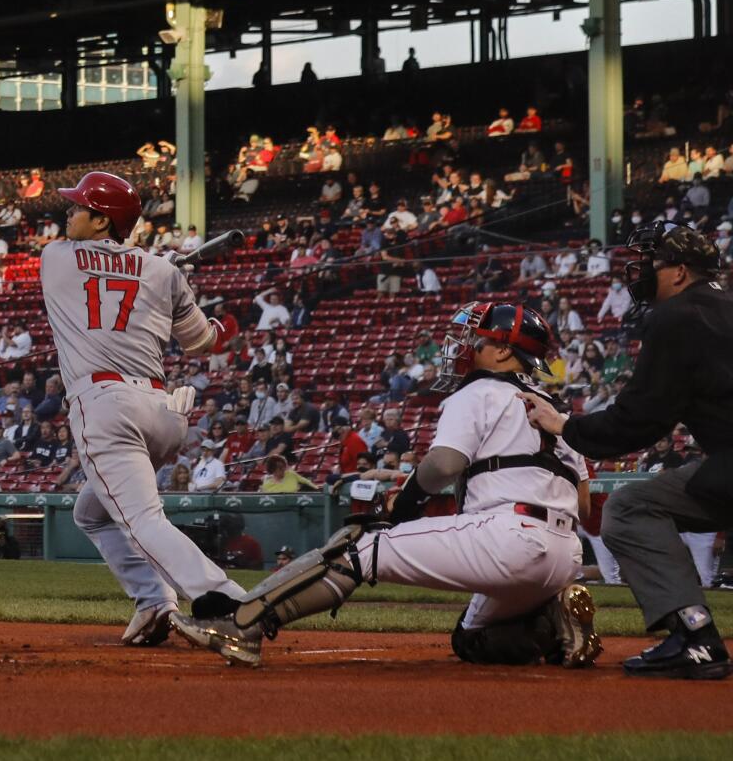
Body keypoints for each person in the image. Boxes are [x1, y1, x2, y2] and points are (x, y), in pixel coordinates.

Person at [174, 303, 600, 670]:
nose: (466, 347)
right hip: (563, 558)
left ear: (505, 350)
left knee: (357, 548)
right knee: (470, 639)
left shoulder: (480, 391)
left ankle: (242, 626)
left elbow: (444, 465)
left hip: (508, 536)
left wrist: (406, 503)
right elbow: (584, 506)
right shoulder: (555, 410)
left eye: (478, 339)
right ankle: (554, 622)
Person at [520, 221, 733, 679]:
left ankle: (695, 637)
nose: (641, 273)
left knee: (631, 508)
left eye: (652, 263)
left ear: (678, 272)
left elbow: (640, 420)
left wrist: (565, 425)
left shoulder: (678, 317)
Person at [40, 171, 244, 649]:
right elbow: (204, 341)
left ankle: (228, 600)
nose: (69, 214)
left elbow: (104, 275)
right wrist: (162, 274)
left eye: (78, 208)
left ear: (99, 220)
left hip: (107, 408)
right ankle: (153, 600)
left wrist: (153, 267)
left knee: (143, 519)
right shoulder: (162, 271)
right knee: (91, 513)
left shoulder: (55, 258)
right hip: (163, 413)